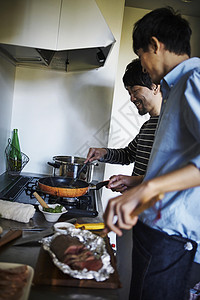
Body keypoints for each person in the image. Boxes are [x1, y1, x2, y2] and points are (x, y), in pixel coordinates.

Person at [103, 7, 200, 300]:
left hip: (170, 235)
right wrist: (139, 184)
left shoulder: (193, 79)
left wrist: (146, 188)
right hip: (156, 227)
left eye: (141, 54)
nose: (143, 65)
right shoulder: (175, 89)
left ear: (155, 45)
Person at [85, 58, 162, 192]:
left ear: (154, 86)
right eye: (129, 93)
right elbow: (128, 155)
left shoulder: (170, 126)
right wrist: (103, 153)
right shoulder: (148, 126)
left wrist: (130, 181)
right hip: (138, 204)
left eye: (135, 91)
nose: (132, 98)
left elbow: (165, 175)